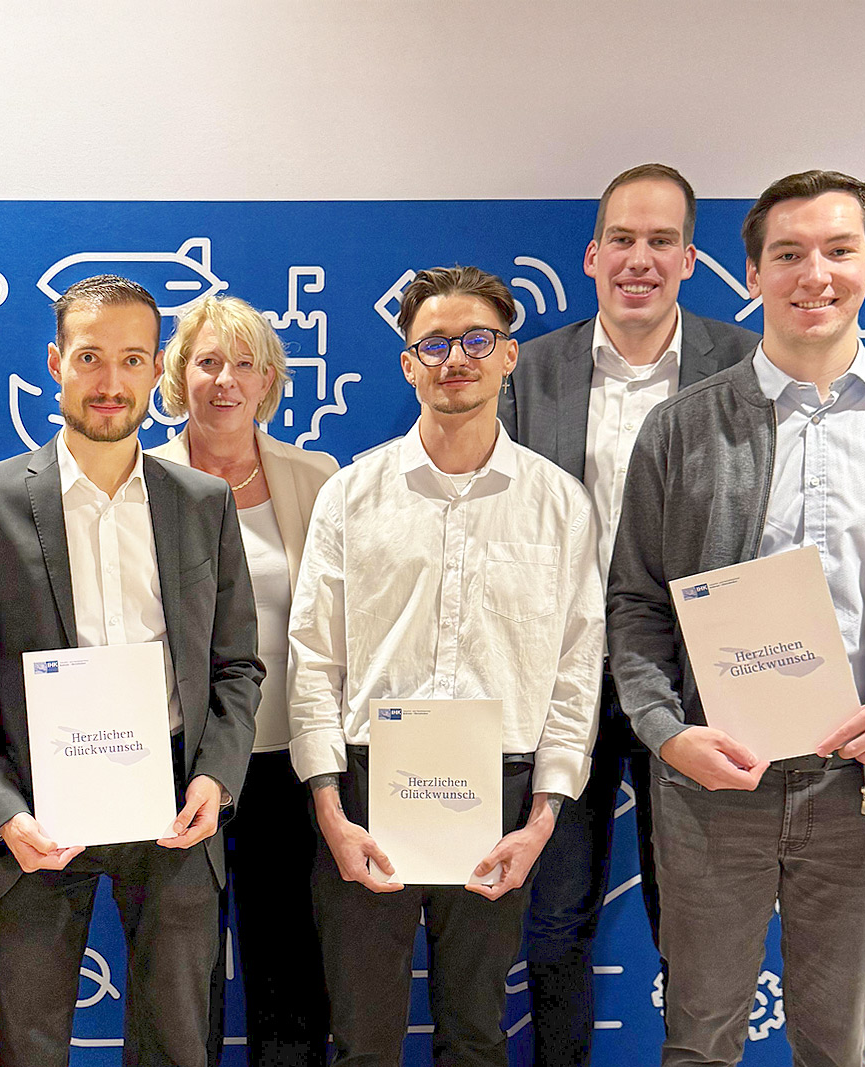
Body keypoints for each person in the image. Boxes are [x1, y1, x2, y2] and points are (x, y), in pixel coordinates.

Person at [608, 170, 865, 1066]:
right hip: (715, 784)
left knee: (836, 1046)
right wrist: (668, 731)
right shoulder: (679, 429)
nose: (813, 274)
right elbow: (635, 603)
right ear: (752, 274)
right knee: (699, 1042)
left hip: (863, 784)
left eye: (838, 250)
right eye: (787, 254)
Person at [0, 275, 263, 1067]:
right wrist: (5, 815)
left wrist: (216, 778)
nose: (111, 380)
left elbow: (237, 666)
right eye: (90, 357)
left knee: (177, 1045)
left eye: (132, 359)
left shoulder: (203, 500)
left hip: (176, 807)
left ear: (156, 370)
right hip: (39, 815)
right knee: (32, 1047)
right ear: (56, 363)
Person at [289, 265, 604, 1066]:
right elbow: (314, 656)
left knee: (476, 1034)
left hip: (501, 792)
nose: (455, 358)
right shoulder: (351, 495)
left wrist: (541, 820)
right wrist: (330, 808)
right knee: (363, 1040)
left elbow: (576, 673)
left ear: (509, 356)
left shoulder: (560, 504)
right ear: (408, 363)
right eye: (433, 343)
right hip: (366, 786)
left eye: (477, 340)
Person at [503, 162, 757, 1065]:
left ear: (690, 258)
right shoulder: (530, 370)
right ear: (591, 255)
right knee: (553, 917)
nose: (638, 259)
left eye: (660, 241)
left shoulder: (746, 366)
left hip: (695, 683)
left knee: (692, 918)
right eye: (622, 239)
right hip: (557, 680)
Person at [150, 295, 337, 1067]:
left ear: (268, 380)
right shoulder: (141, 478)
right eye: (207, 362)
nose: (225, 379)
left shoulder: (316, 478)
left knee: (289, 962)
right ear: (177, 376)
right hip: (180, 761)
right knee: (178, 968)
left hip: (288, 759)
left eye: (244, 363)